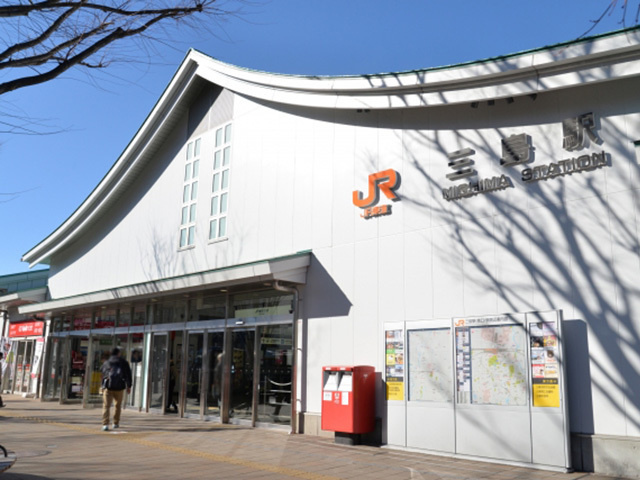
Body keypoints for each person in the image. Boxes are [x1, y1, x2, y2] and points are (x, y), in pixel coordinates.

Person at [100, 347, 132, 431]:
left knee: (106, 406)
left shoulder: (107, 362)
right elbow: (128, 374)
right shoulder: (124, 362)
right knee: (117, 406)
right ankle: (115, 423)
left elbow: (103, 375)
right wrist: (129, 386)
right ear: (118, 353)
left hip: (108, 387)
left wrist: (102, 386)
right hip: (119, 387)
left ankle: (105, 424)